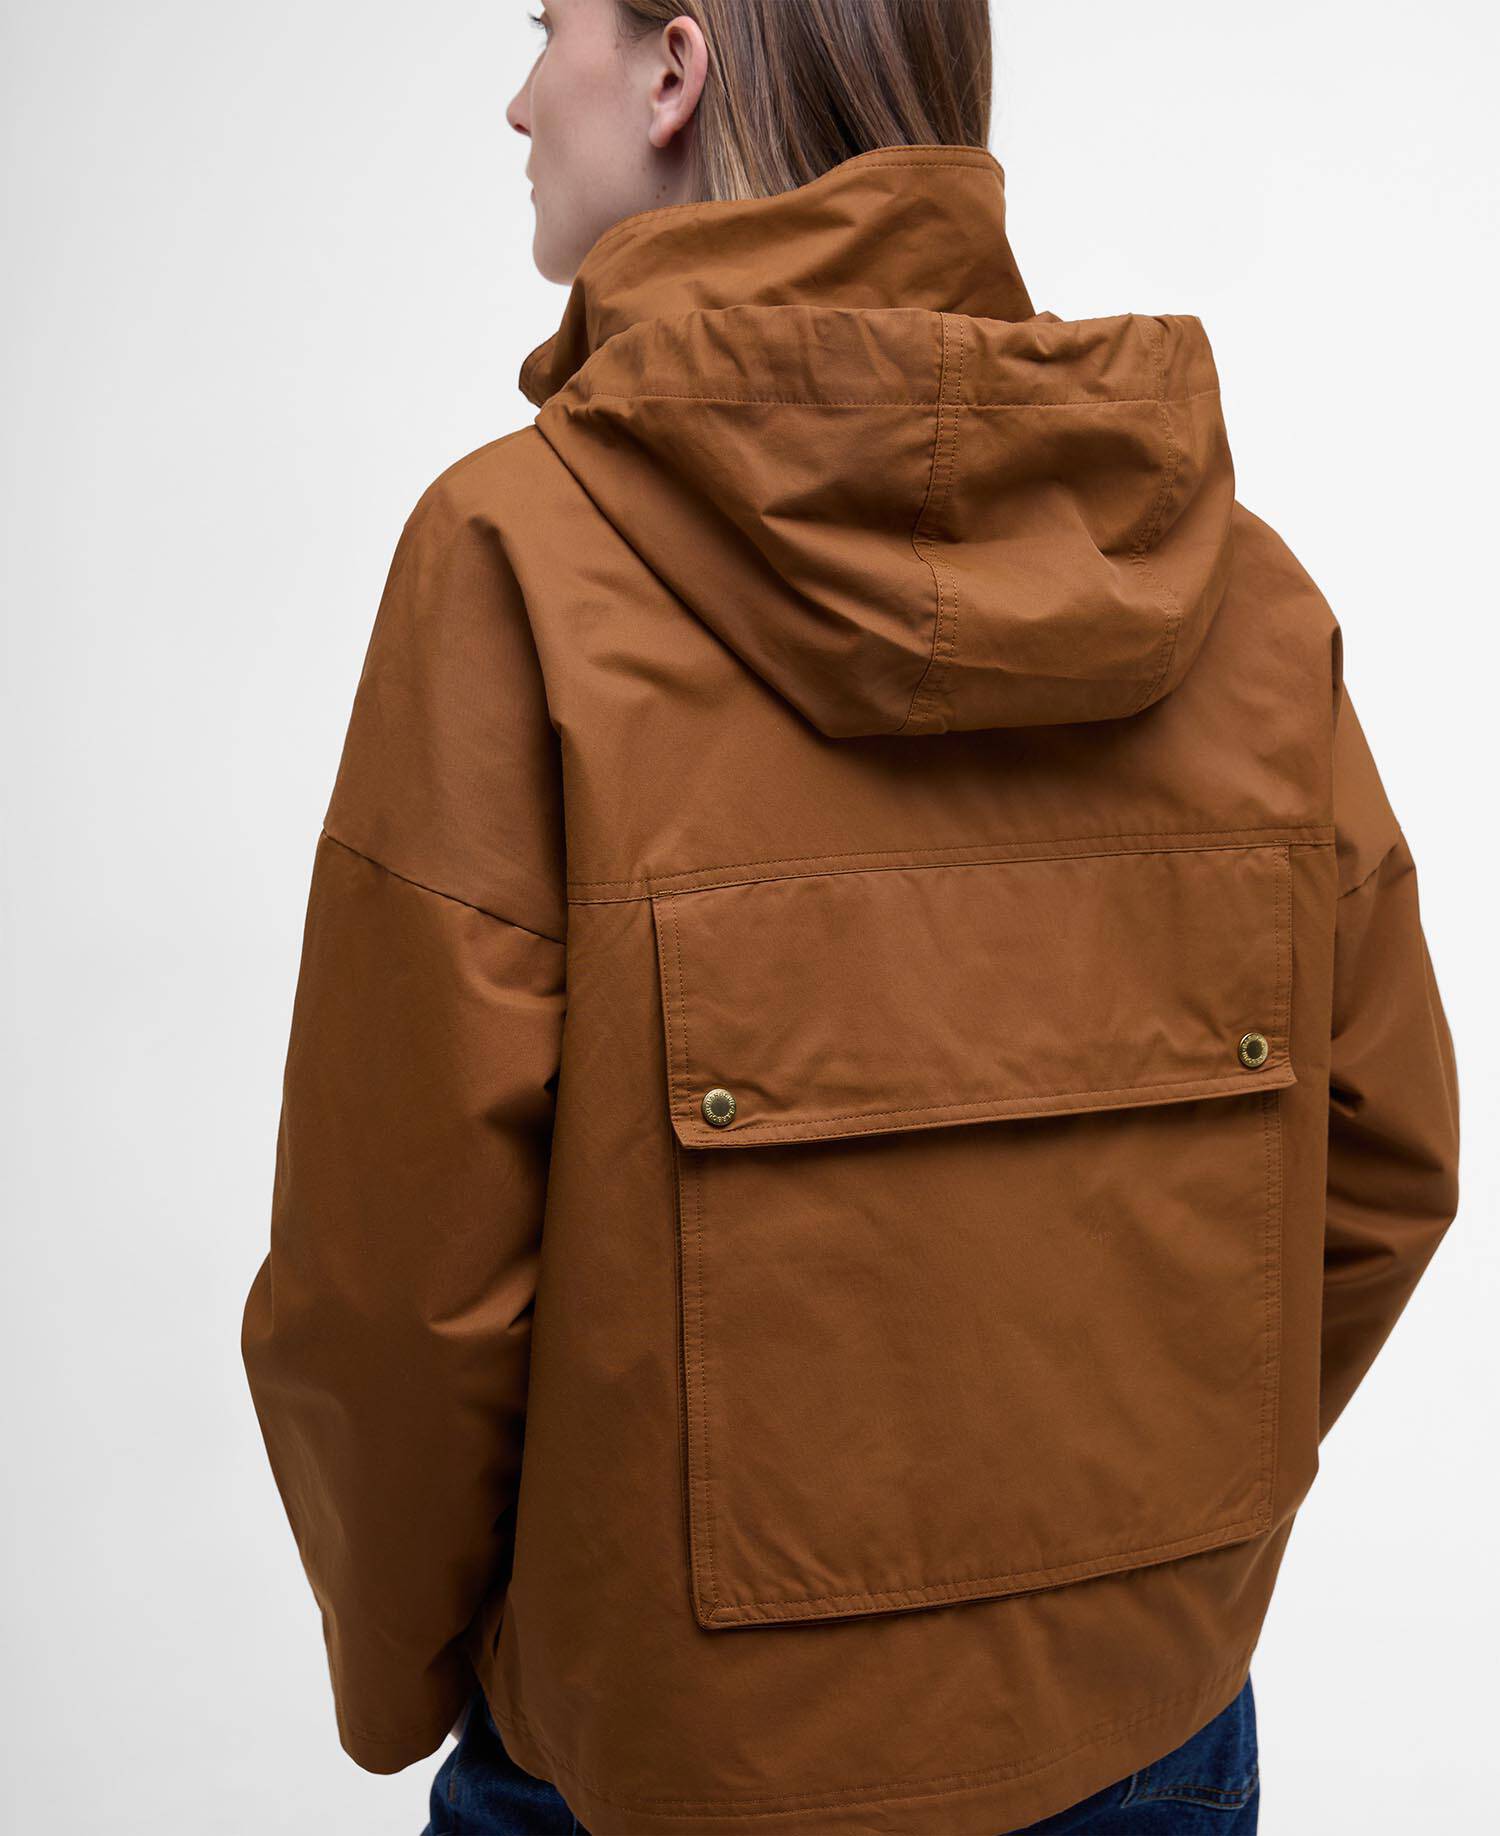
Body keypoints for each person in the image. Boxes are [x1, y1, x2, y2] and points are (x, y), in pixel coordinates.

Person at [240, 3, 1461, 1832]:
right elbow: (1386, 1153)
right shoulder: (1239, 590)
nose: (516, 97)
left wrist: (424, 1674)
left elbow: (397, 1287)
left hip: (676, 1771)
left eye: (546, 27)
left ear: (677, 68)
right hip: (1154, 1735)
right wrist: (1161, 1540)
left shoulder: (513, 565)